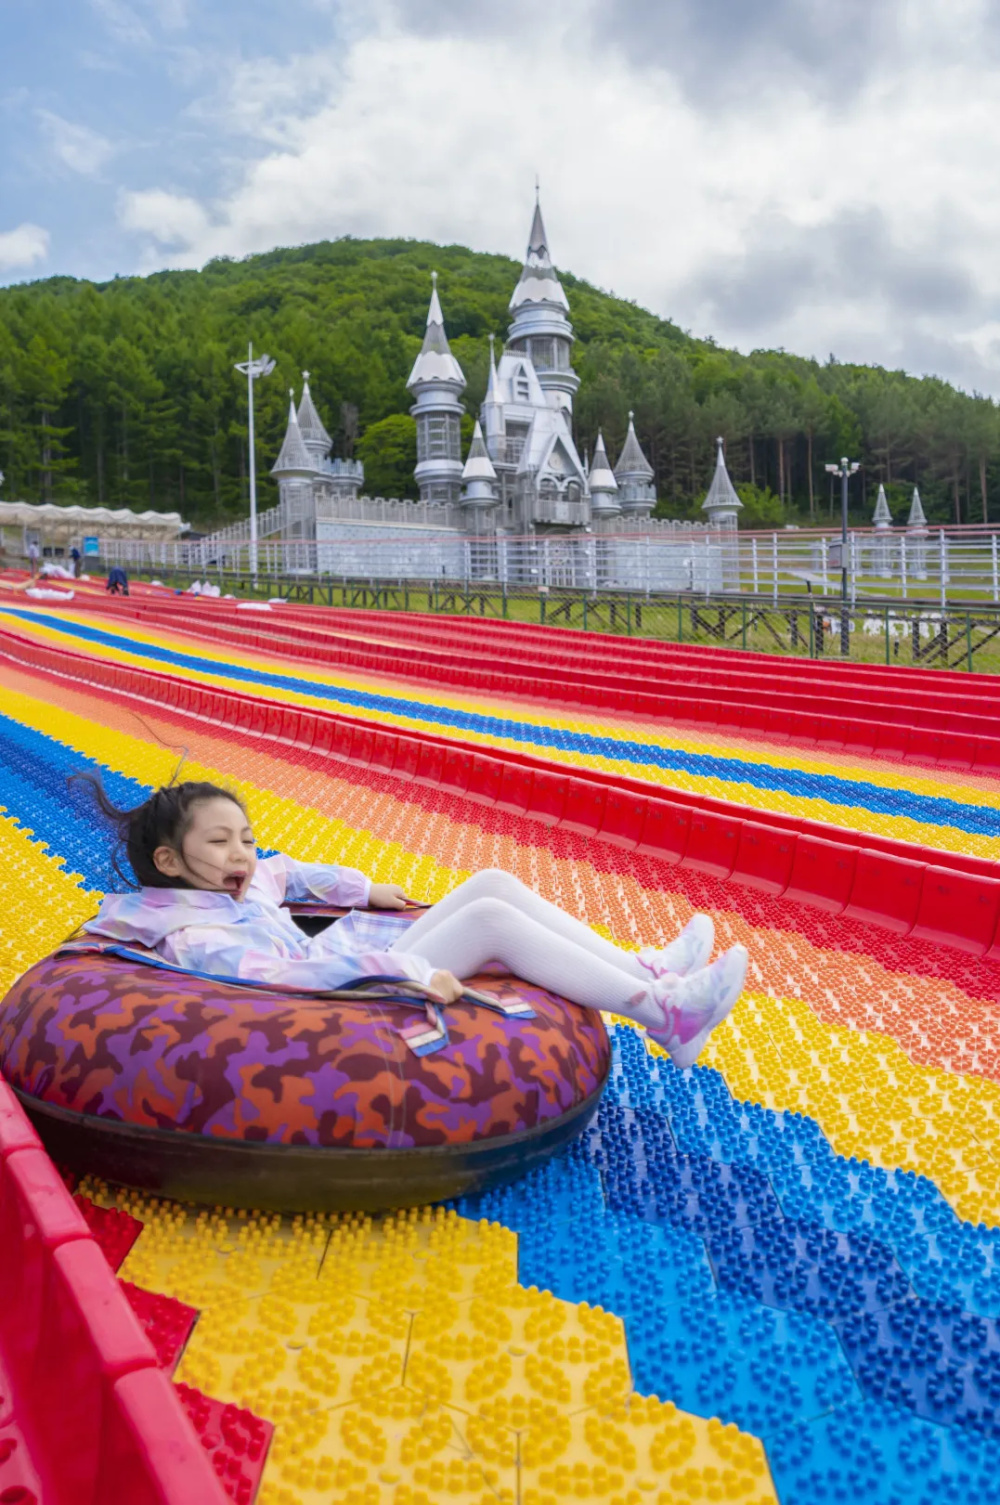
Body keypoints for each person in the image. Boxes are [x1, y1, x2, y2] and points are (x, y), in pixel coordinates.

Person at [79, 780, 747, 1069]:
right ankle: (665, 1014)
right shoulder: (199, 932)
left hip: (362, 952)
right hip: (345, 998)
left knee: (491, 882)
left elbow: (295, 872)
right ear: (169, 861)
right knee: (488, 919)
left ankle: (645, 970)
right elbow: (277, 980)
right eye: (222, 843)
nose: (244, 855)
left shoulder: (247, 881)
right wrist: (406, 969)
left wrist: (367, 887)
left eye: (247, 838)